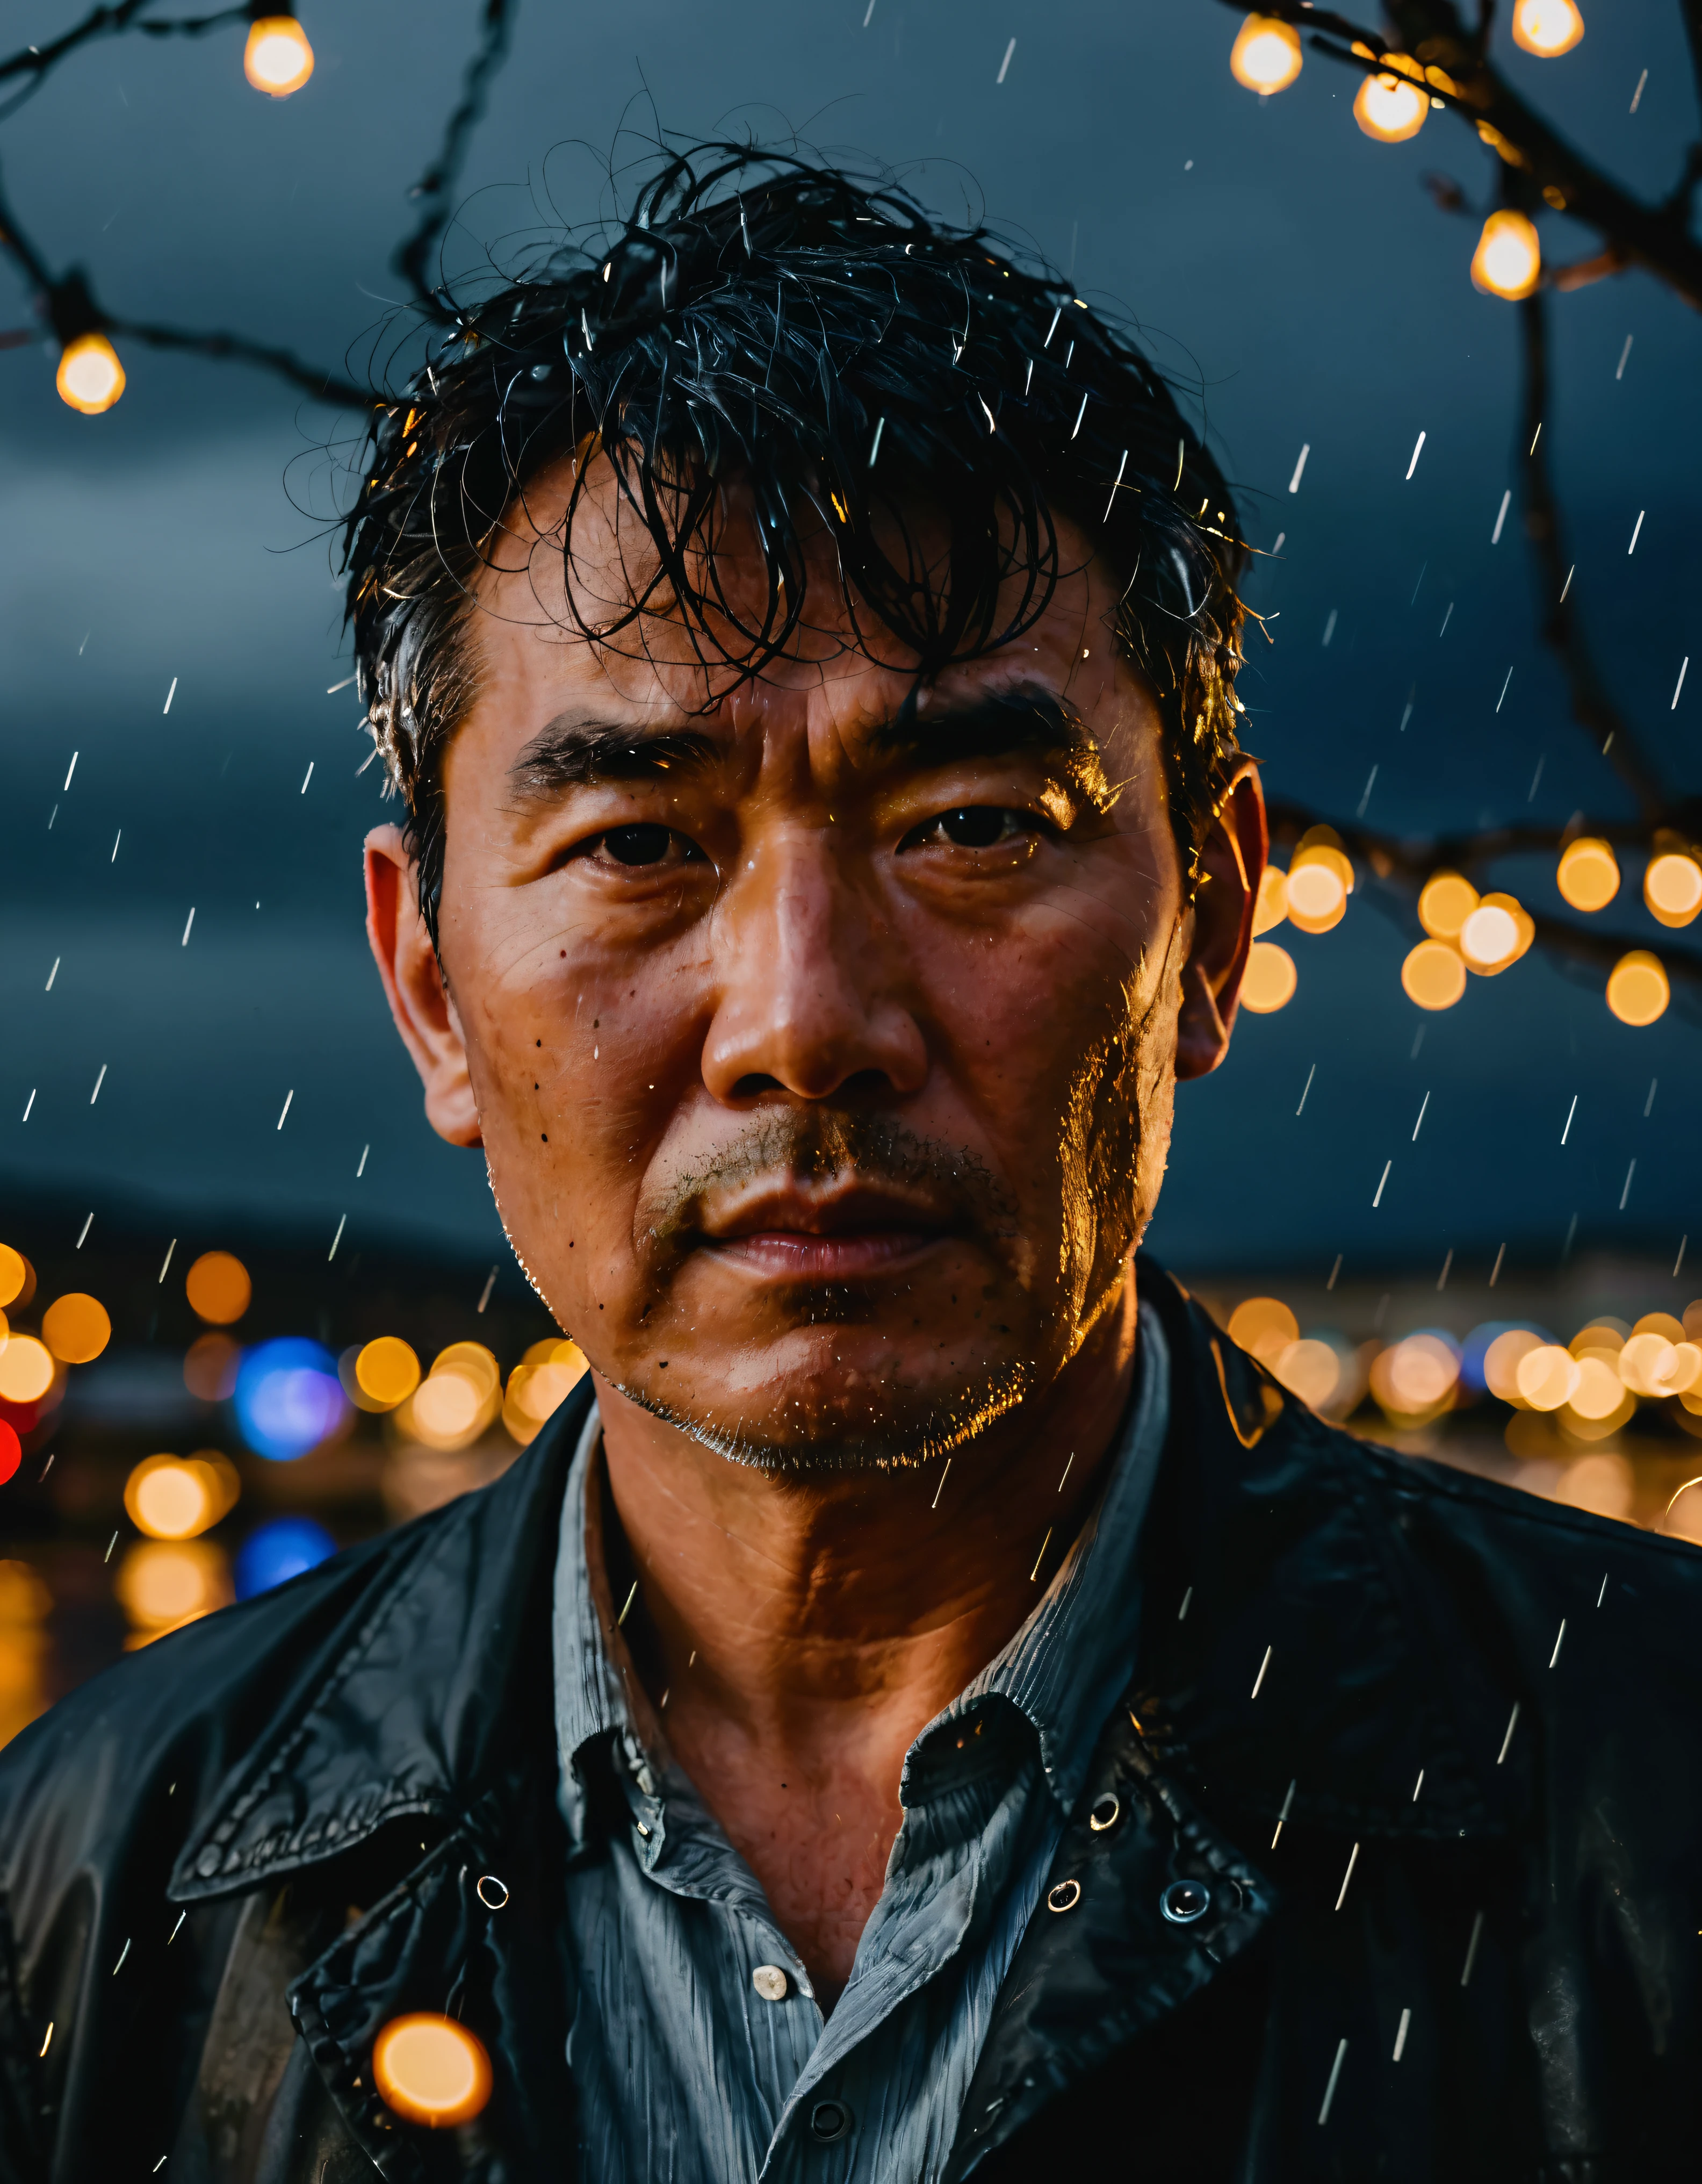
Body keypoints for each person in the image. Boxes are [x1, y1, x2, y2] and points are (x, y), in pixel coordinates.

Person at [2, 144, 1698, 2184]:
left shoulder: (1649, 1812)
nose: (805, 1019)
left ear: (1217, 925)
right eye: (636, 845)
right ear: (431, 984)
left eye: (970, 825)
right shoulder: (100, 1885)